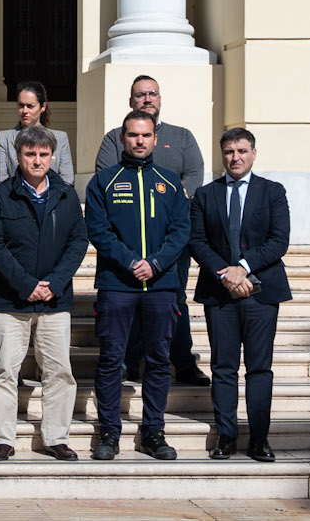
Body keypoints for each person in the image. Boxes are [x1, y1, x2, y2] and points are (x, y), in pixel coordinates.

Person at [85, 109, 191, 461]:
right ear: (122, 138)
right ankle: (109, 433)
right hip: (117, 285)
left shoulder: (171, 182)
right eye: (133, 135)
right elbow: (99, 232)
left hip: (161, 286)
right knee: (112, 359)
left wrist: (157, 263)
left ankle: (153, 432)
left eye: (145, 135)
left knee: (159, 360)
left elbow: (181, 231)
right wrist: (131, 262)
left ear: (155, 139)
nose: (139, 141)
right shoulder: (103, 182)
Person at [93, 76, 209, 387]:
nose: (147, 98)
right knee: (129, 300)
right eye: (140, 94)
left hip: (168, 241)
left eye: (152, 93)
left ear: (160, 98)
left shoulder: (182, 136)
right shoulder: (114, 138)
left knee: (175, 299)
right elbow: (105, 174)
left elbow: (195, 173)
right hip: (126, 242)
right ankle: (129, 363)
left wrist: (176, 200)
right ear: (131, 101)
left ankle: (183, 362)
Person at [0, 126, 87, 462]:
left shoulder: (67, 195)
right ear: (18, 157)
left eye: (43, 154)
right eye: (30, 154)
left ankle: (56, 437)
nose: (37, 160)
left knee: (59, 372)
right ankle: (3, 439)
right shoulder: (0, 196)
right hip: (10, 302)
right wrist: (26, 285)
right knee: (5, 373)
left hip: (55, 302)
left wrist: (53, 283)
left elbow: (77, 242)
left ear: (52, 156)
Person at [188, 126, 291, 463]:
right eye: (229, 152)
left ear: (253, 154)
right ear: (223, 155)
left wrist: (243, 268)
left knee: (259, 369)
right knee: (223, 367)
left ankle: (259, 439)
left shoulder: (273, 192)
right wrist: (226, 274)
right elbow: (198, 242)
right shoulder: (206, 195)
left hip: (261, 294)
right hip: (220, 295)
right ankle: (226, 437)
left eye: (242, 151)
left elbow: (278, 241)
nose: (235, 157)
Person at [0, 80, 74, 187]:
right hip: (13, 200)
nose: (24, 111)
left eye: (30, 106)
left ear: (43, 107)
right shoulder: (1, 139)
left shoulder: (60, 138)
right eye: (21, 106)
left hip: (52, 200)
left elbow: (67, 179)